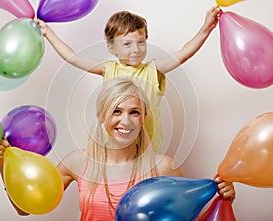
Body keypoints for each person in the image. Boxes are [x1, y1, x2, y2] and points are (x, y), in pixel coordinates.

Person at [0, 78, 235, 221]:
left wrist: (221, 198)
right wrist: (5, 165)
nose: (125, 122)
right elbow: (24, 209)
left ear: (143, 118)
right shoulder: (77, 162)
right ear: (101, 116)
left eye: (134, 112)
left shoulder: (163, 166)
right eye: (116, 111)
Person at [36, 6, 221, 153]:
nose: (136, 49)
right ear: (111, 48)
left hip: (148, 153)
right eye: (127, 44)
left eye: (141, 42)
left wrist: (205, 29)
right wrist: (48, 33)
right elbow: (73, 57)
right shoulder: (108, 69)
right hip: (114, 150)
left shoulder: (152, 71)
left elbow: (184, 53)